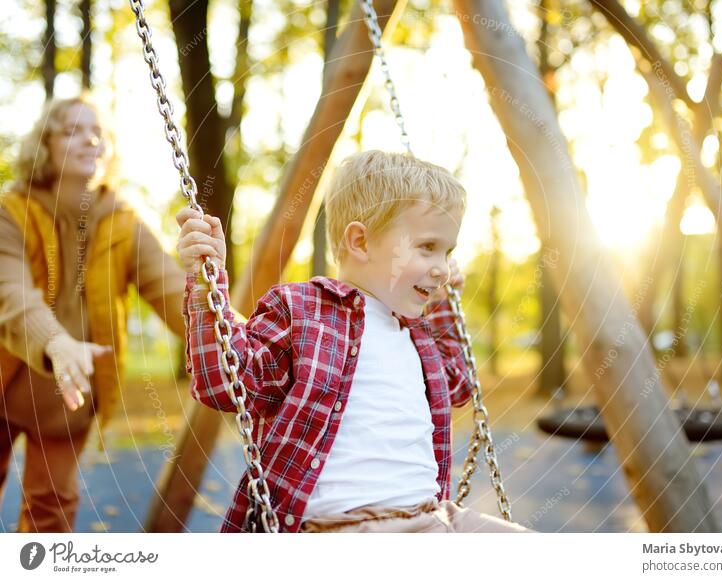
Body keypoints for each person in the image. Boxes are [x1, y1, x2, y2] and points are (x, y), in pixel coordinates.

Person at [177, 150, 533, 533]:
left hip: (433, 518)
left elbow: (458, 384)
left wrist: (445, 308)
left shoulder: (416, 333)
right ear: (360, 241)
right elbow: (226, 382)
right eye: (428, 247)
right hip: (345, 526)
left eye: (447, 253)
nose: (443, 269)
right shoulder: (303, 311)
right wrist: (205, 285)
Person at [0, 94, 186, 532]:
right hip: (7, 373)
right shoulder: (10, 212)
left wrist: (229, 338)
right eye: (72, 131)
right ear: (44, 145)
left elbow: (170, 287)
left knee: (52, 511)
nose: (90, 141)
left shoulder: (123, 221)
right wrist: (57, 341)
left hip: (69, 394)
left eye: (97, 133)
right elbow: (9, 293)